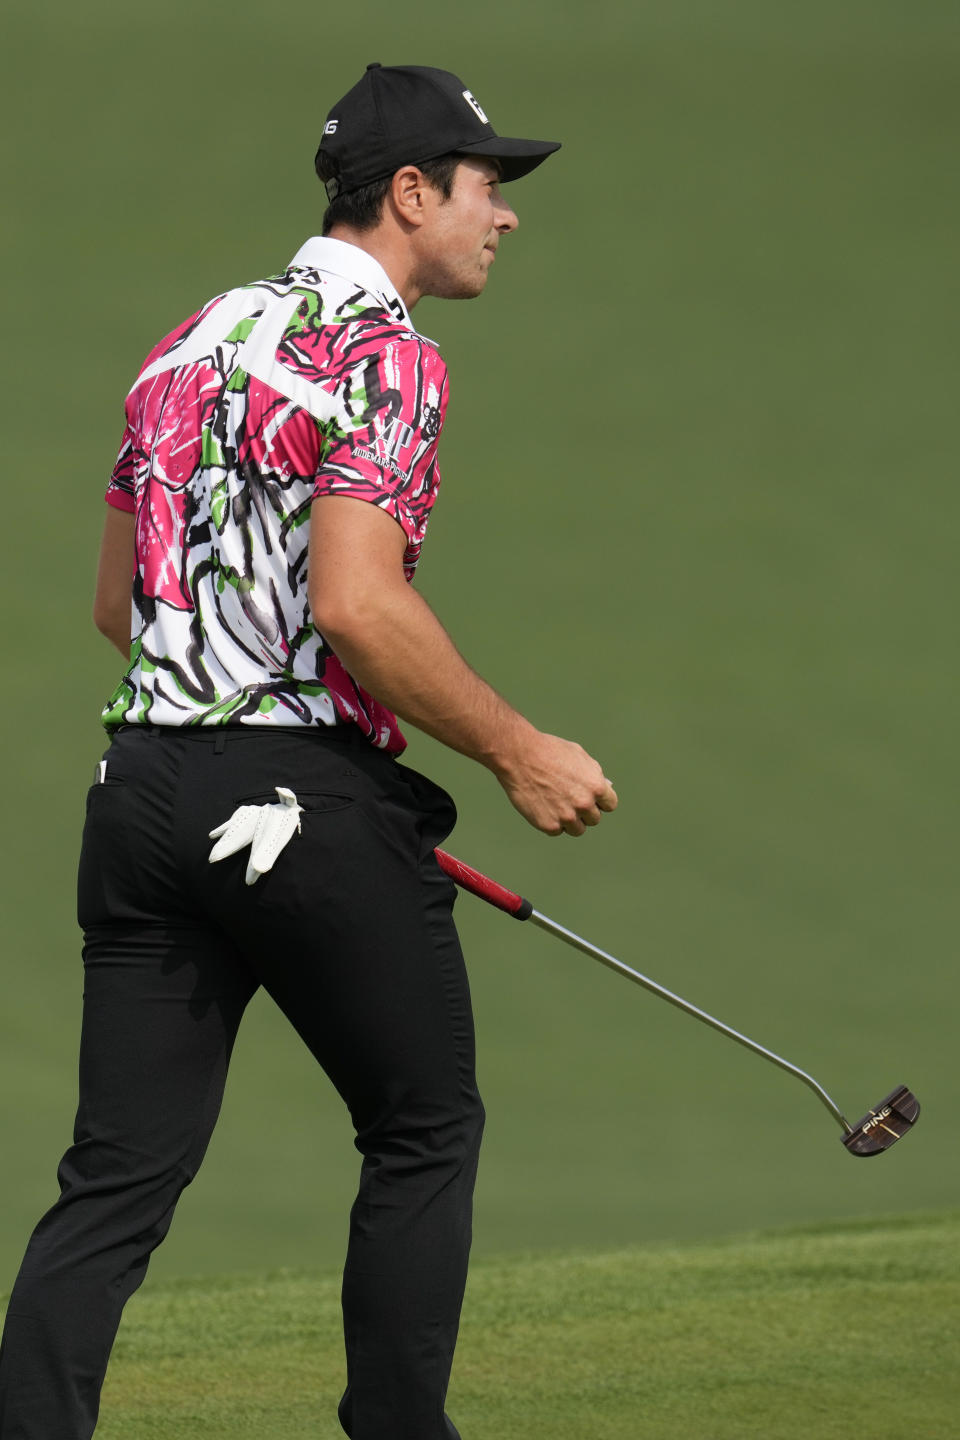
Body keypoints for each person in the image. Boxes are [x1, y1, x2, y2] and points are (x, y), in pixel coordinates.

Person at [0, 63, 617, 1440]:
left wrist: (228, 727)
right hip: (290, 793)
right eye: (485, 187)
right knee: (422, 1124)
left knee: (116, 1177)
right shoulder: (390, 357)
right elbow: (355, 602)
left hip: (141, 793)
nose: (502, 217)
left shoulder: (189, 338)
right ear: (411, 194)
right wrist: (518, 753)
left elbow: (121, 607)